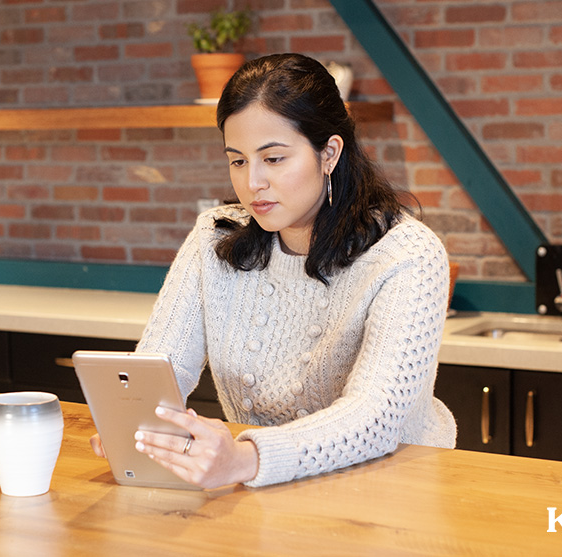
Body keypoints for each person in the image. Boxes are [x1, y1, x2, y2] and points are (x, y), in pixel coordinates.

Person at [90, 53, 456, 488]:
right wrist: (134, 423)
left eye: (274, 159)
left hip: (392, 485)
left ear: (329, 153)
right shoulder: (214, 237)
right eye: (238, 160)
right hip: (268, 486)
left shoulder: (408, 254)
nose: (252, 183)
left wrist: (246, 459)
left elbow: (375, 416)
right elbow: (159, 367)